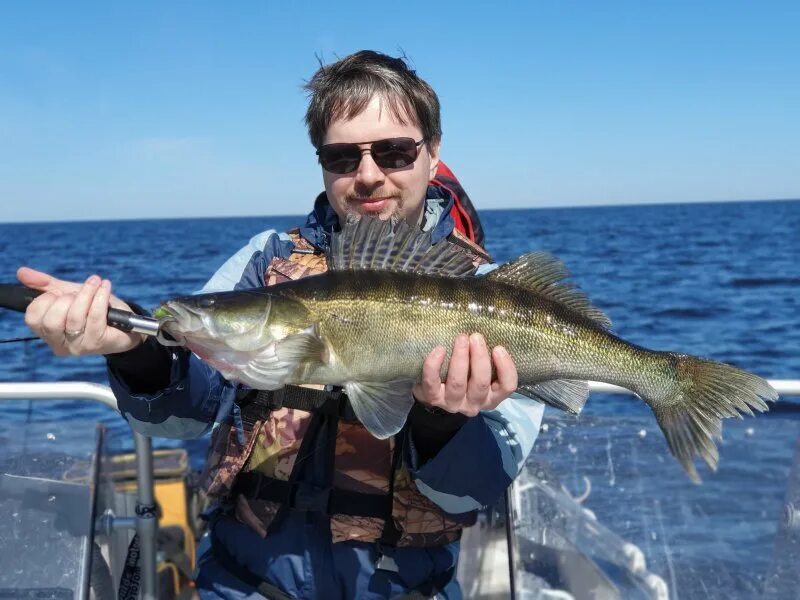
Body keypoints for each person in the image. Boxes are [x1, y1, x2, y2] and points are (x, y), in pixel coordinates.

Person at [18, 50, 545, 599]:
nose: (368, 175)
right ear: (320, 162)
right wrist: (132, 350)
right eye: (342, 157)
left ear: (432, 154)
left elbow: (473, 492)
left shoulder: (494, 296)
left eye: (393, 152)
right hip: (244, 587)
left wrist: (443, 422)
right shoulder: (265, 261)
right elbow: (179, 420)